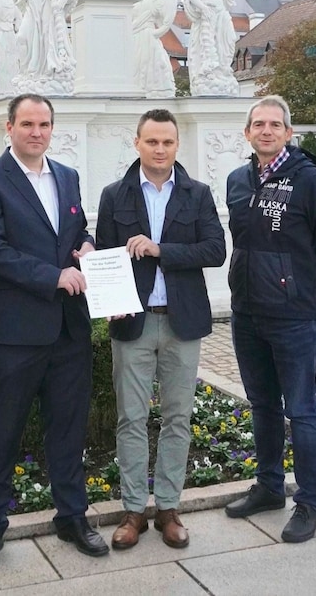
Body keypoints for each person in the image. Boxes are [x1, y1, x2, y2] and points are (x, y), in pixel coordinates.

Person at [0, 93, 108, 572]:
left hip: (69, 329)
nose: (36, 132)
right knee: (1, 432)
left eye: (44, 123)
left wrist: (85, 248)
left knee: (68, 430)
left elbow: (77, 230)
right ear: (9, 128)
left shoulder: (66, 176)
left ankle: (72, 517)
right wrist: (53, 276)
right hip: (16, 333)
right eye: (27, 123)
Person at [96, 108, 226, 551]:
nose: (159, 149)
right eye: (151, 141)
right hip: (132, 323)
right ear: (137, 143)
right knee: (131, 418)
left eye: (167, 142)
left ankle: (168, 507)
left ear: (176, 145)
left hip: (181, 321)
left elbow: (215, 250)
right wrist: (107, 294)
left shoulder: (198, 193)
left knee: (178, 418)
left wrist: (160, 250)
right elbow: (109, 259)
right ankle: (134, 509)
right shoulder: (115, 195)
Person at [224, 95, 316, 543]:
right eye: (259, 124)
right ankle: (270, 486)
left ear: (289, 133)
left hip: (294, 318)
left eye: (276, 124)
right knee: (262, 406)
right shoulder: (238, 180)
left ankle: (309, 501)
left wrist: (310, 301)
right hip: (248, 313)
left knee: (302, 410)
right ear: (248, 132)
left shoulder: (310, 181)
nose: (267, 131)